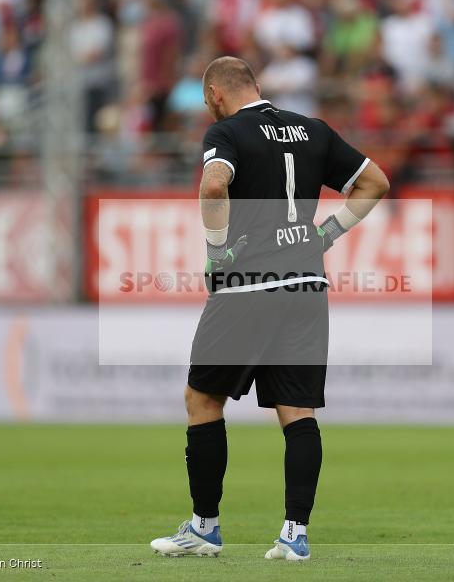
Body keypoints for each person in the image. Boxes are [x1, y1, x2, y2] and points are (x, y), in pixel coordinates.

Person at [149, 57, 389, 561]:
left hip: (247, 285)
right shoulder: (313, 130)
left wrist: (216, 252)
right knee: (298, 412)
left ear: (215, 93)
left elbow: (214, 185)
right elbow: (376, 183)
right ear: (256, 85)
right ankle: (294, 536)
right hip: (306, 283)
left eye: (206, 98)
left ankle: (204, 528)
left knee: (203, 400)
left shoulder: (229, 134)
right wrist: (327, 233)